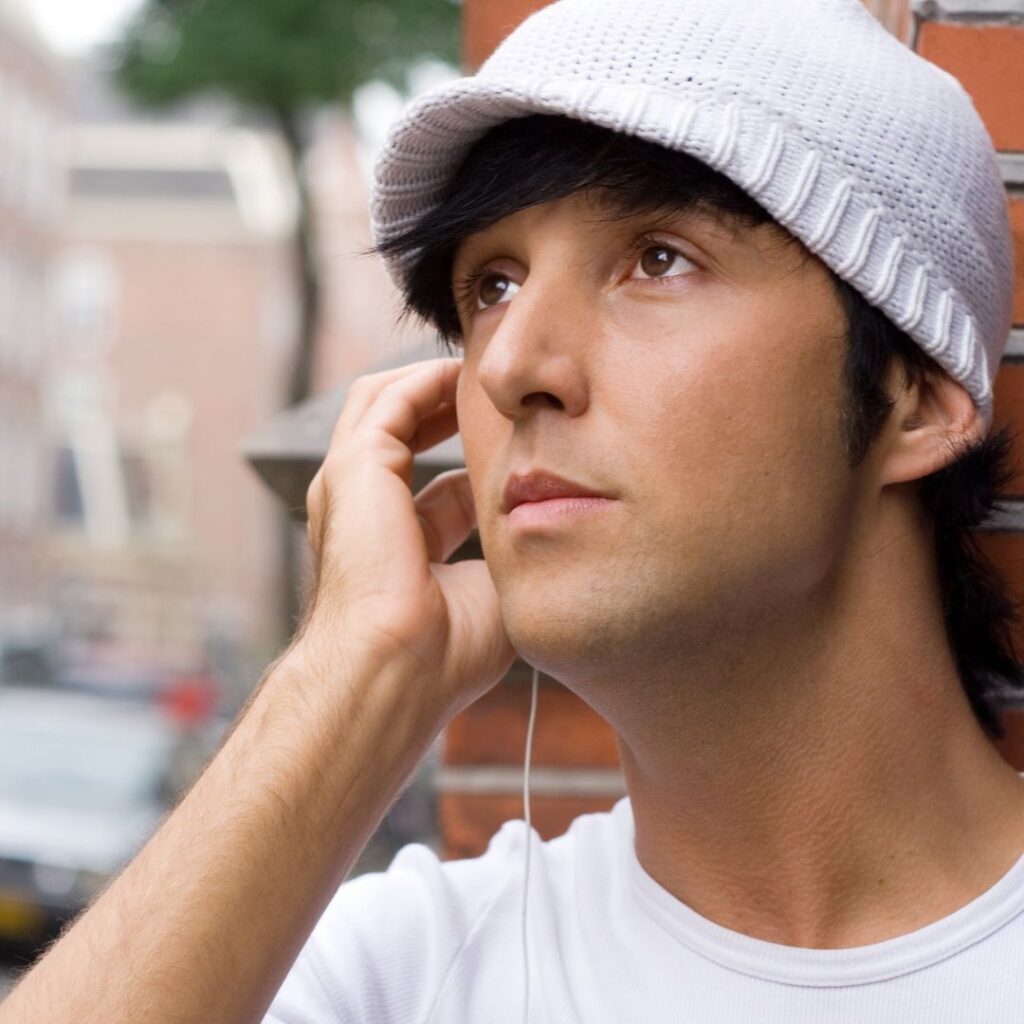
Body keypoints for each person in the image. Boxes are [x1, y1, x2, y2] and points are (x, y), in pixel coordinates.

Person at [3, 0, 1023, 1020]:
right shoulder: (398, 971)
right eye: (490, 285)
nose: (509, 365)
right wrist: (351, 676)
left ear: (912, 393)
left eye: (657, 258)